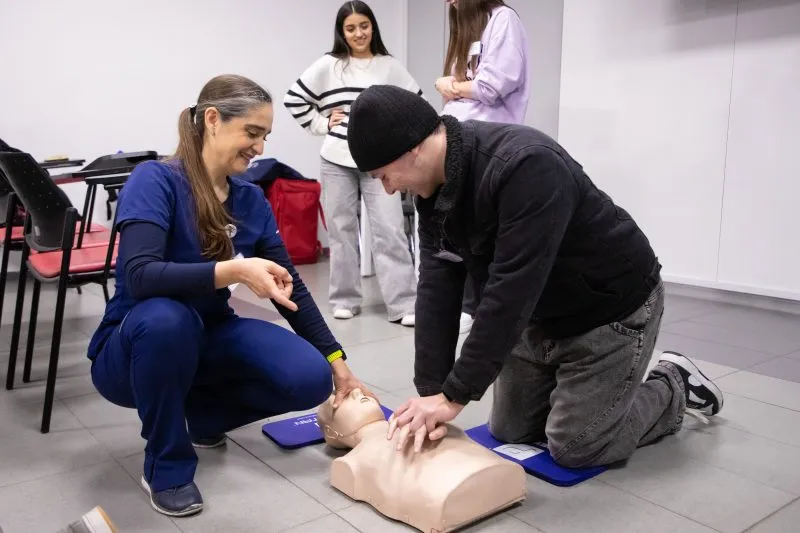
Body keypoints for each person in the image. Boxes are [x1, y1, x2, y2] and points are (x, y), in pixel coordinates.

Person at [345, 85, 725, 469]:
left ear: (413, 149)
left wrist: (454, 396)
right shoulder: (433, 191)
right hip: (541, 316)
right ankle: (583, 394)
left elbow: (511, 290)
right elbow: (436, 286)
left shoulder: (526, 164)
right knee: (510, 432)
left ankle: (673, 382)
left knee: (578, 446)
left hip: (608, 312)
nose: (389, 189)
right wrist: (431, 391)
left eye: (383, 175)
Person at [87, 74, 374, 517]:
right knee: (168, 319)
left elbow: (289, 285)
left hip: (209, 333)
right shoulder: (156, 180)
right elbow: (140, 277)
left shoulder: (250, 198)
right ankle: (166, 463)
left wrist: (338, 363)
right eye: (252, 133)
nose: (259, 147)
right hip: (134, 346)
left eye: (265, 136)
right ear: (214, 120)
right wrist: (234, 270)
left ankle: (203, 418)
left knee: (308, 375)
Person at [284, 0, 418, 326]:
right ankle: (344, 299)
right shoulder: (329, 65)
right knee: (342, 232)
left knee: (390, 230)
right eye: (351, 28)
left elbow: (416, 104)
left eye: (364, 26)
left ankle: (403, 304)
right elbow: (294, 99)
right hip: (336, 159)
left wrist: (398, 138)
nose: (358, 33)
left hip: (379, 162)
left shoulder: (389, 66)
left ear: (373, 27)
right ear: (342, 32)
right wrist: (322, 123)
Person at [436, 0, 530, 335]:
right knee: (462, 229)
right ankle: (465, 304)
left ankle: (477, 308)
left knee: (484, 231)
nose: (450, 2)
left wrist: (452, 86)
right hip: (462, 141)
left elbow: (491, 87)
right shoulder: (469, 26)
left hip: (490, 143)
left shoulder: (503, 20)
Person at [317, 388, 526, 532]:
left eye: (357, 391)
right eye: (340, 399)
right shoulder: (351, 462)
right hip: (446, 492)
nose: (356, 392)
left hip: (486, 467)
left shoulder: (416, 418)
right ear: (332, 433)